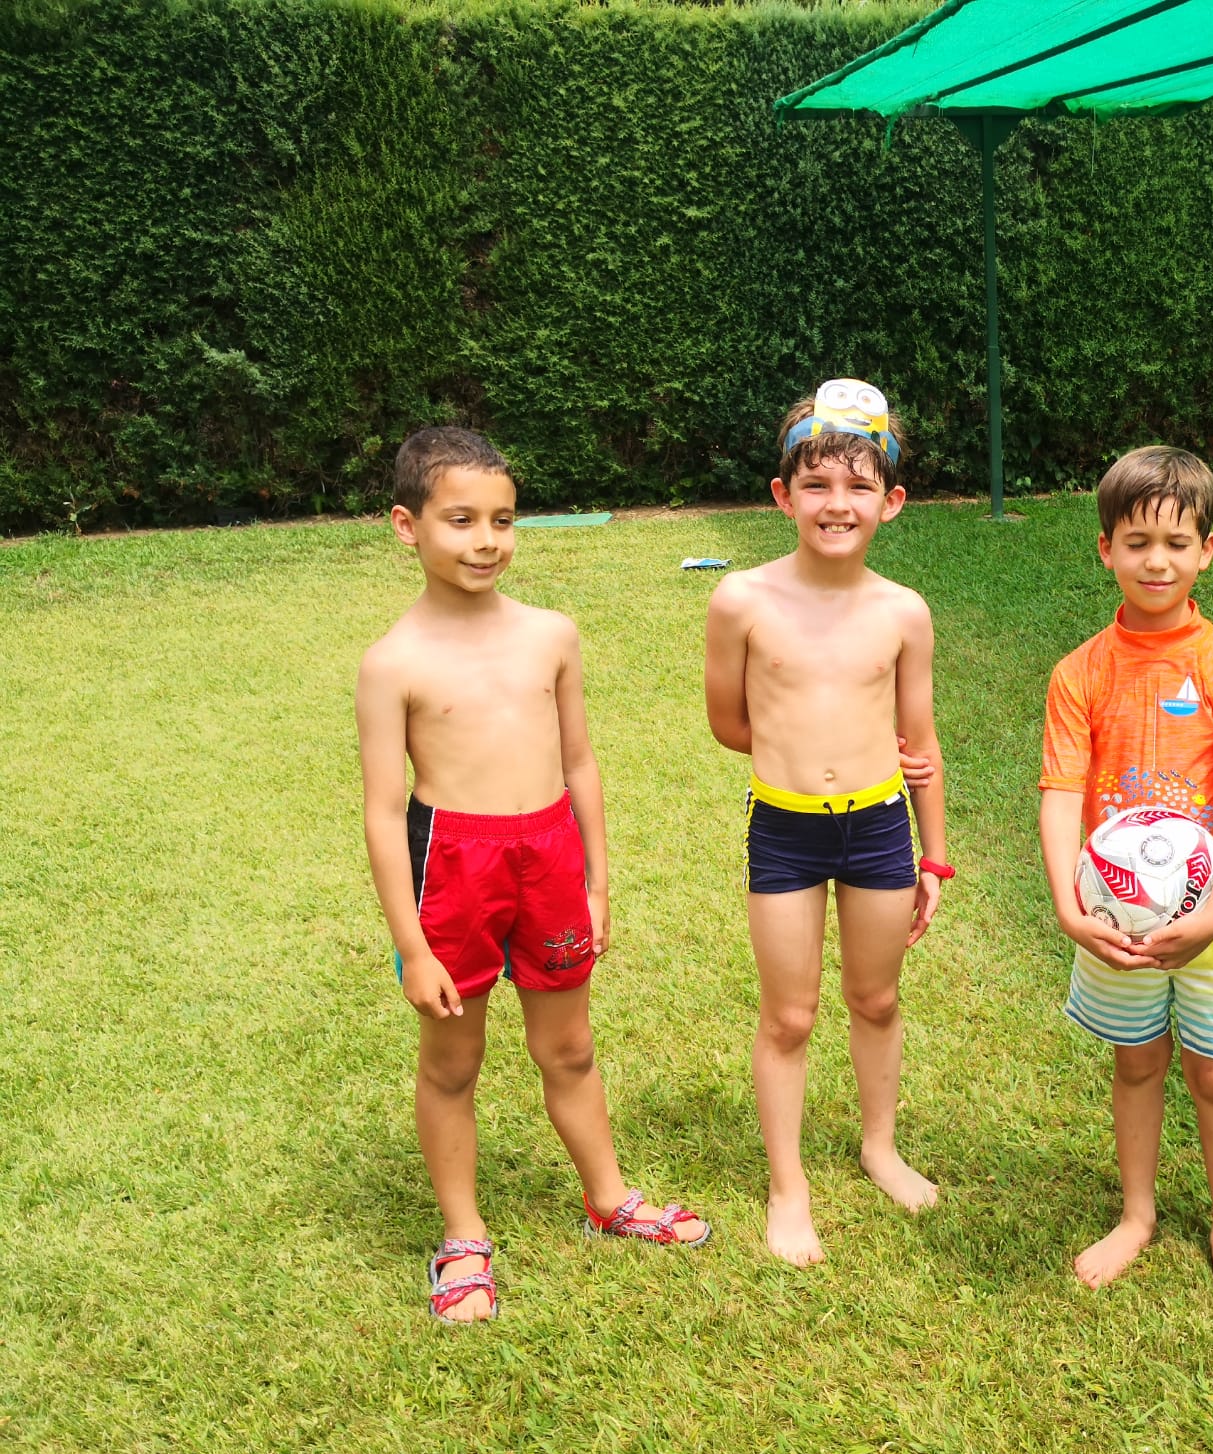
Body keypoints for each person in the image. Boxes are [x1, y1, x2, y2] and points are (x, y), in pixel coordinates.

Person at [357, 426, 709, 1326]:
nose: (486, 541)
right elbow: (382, 812)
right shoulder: (392, 663)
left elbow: (580, 762)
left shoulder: (552, 635)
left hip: (549, 854)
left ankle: (609, 1198)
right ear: (406, 526)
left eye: (503, 520)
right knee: (453, 1062)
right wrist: (412, 948)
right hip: (454, 865)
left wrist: (597, 882)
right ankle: (463, 1236)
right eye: (461, 520)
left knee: (571, 1047)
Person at [703, 379, 951, 1268]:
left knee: (876, 999)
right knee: (789, 1015)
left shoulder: (903, 612)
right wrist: (802, 755)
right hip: (786, 830)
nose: (836, 504)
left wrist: (935, 857)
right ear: (784, 496)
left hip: (879, 830)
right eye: (816, 484)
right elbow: (730, 723)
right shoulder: (741, 600)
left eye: (857, 486)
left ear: (892, 502)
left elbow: (920, 743)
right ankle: (788, 1186)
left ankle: (880, 1147)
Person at [1038, 445, 1213, 1311]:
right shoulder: (1080, 672)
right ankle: (1136, 1216)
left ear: (1207, 551)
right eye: (1137, 542)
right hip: (1113, 915)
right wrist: (1070, 906)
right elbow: (1061, 794)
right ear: (1106, 548)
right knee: (1136, 1063)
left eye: (1177, 543)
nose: (1156, 561)